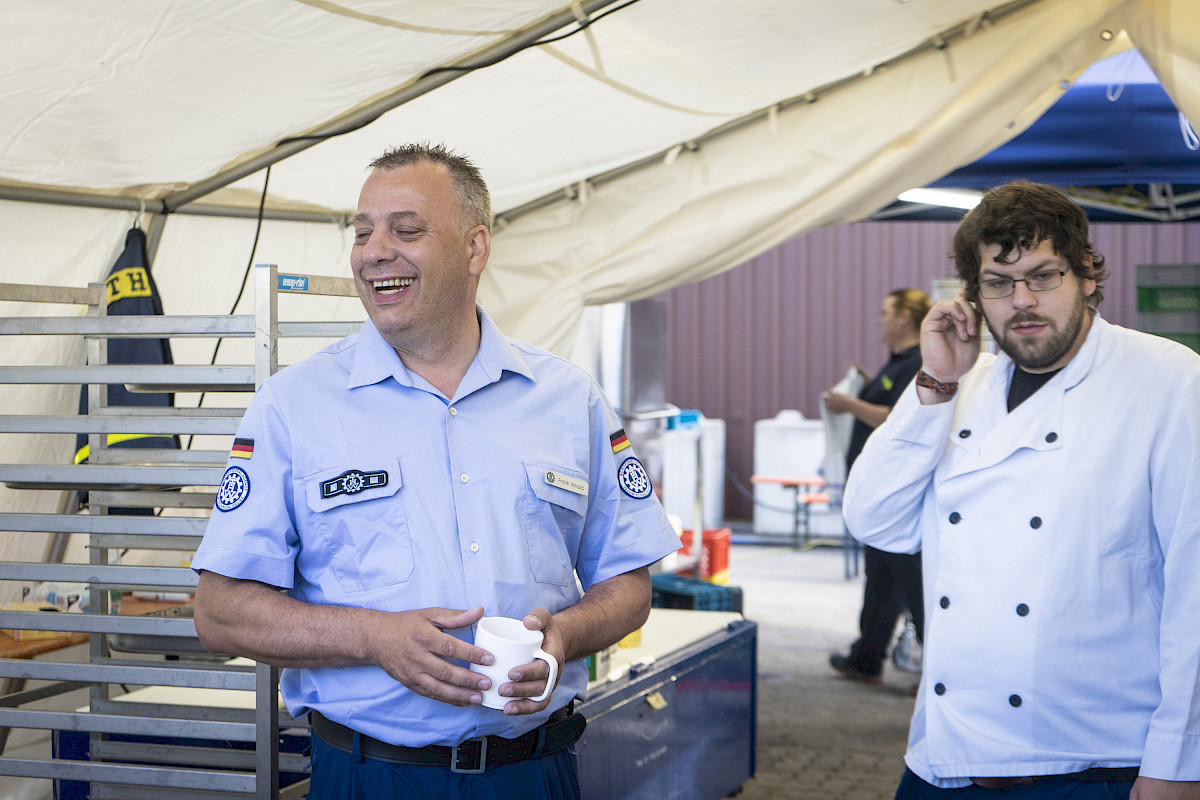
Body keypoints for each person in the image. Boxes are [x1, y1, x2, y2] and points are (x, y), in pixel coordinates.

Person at [191, 143, 682, 799]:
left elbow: (629, 582)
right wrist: (374, 638)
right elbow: (220, 613)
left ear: (475, 249)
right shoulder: (293, 405)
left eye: (407, 229)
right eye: (362, 231)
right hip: (369, 777)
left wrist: (563, 636)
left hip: (533, 773)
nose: (374, 250)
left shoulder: (570, 399)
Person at [844, 181, 1200, 800]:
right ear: (973, 295)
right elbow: (875, 521)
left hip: (1093, 765)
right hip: (945, 758)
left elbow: (1195, 589)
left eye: (1044, 276)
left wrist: (1179, 761)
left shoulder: (1171, 381)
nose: (1024, 301)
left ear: (1086, 274)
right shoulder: (960, 380)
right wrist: (932, 386)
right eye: (1000, 283)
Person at [824, 288, 930, 685]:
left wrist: (850, 405)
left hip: (900, 495)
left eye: (885, 312)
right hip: (880, 493)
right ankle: (866, 658)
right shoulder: (897, 364)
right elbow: (890, 398)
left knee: (913, 584)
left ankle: (935, 672)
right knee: (882, 581)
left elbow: (897, 417)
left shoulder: (920, 361)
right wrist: (866, 384)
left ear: (905, 317)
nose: (879, 320)